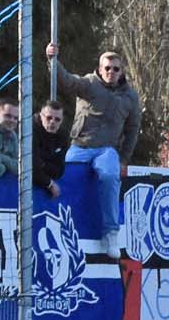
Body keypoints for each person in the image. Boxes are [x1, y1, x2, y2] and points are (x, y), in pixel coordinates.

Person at [46, 42, 141, 256]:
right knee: (59, 174)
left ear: (121, 71)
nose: (111, 72)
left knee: (109, 176)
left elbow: (133, 129)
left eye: (115, 68)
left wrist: (123, 160)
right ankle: (53, 224)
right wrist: (53, 60)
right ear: (100, 69)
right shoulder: (88, 84)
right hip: (79, 146)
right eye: (107, 68)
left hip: (107, 150)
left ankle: (111, 233)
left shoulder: (130, 97)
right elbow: (66, 81)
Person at [34, 99, 71, 198]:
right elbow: (30, 165)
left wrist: (42, 163)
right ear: (41, 116)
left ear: (62, 120)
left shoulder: (63, 135)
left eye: (57, 119)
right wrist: (49, 184)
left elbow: (59, 171)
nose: (52, 122)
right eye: (49, 118)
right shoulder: (30, 129)